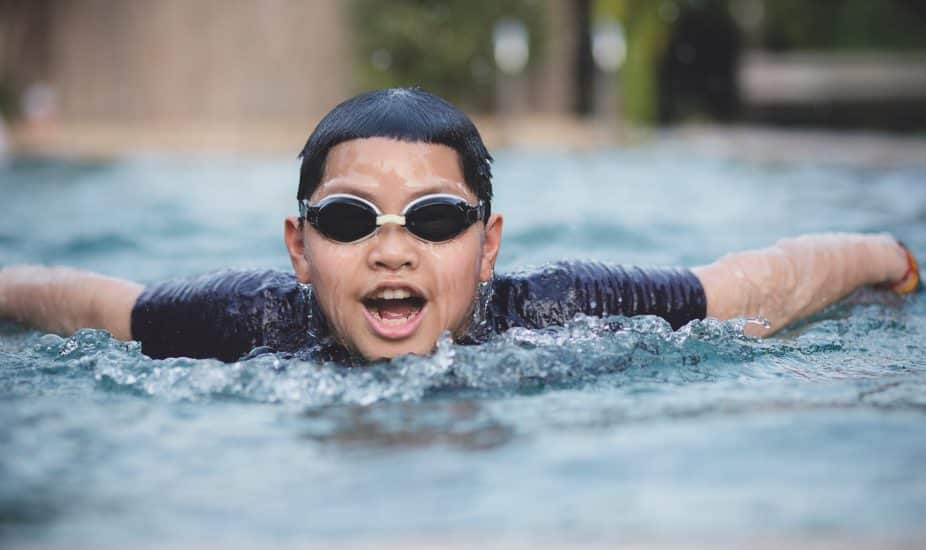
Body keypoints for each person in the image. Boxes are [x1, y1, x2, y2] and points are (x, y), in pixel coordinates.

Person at [0, 88, 920, 363]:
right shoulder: (253, 321)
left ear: (487, 247)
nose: (392, 247)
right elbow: (86, 303)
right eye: (350, 219)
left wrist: (886, 254)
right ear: (298, 250)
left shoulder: (559, 312)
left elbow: (753, 286)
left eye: (434, 219)